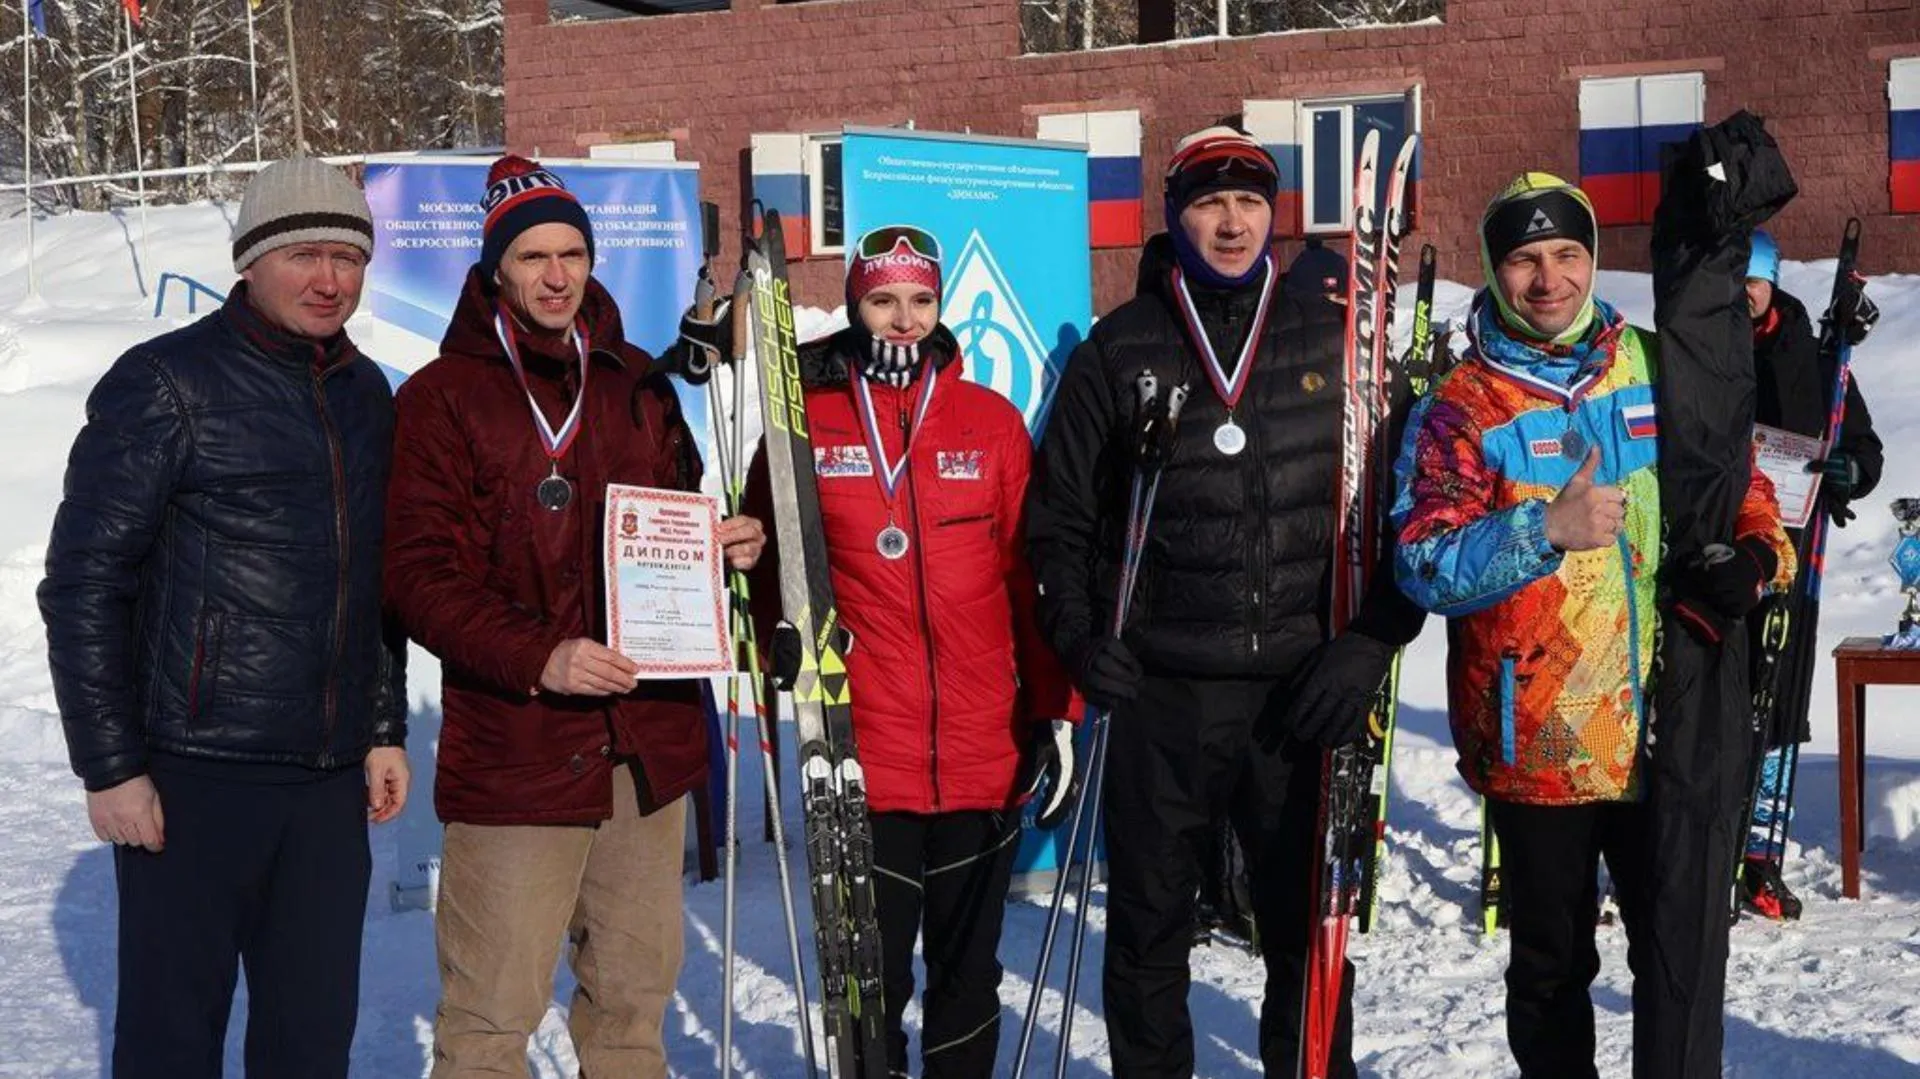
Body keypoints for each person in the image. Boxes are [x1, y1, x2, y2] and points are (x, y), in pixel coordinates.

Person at [1026, 124, 1426, 1079]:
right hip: (1166, 694)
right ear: (1177, 216)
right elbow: (1058, 527)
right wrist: (1083, 641)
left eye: (1250, 201)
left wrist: (1371, 640)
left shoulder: (1343, 344)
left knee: (1307, 936)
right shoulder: (1120, 353)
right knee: (1151, 937)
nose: (1233, 221)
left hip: (1303, 688)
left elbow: (1414, 515)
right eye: (1210, 202)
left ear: (1274, 217)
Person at [1391, 172, 1795, 1079]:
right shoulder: (1462, 406)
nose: (1550, 279)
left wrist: (1757, 561)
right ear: (1496, 271)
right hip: (1538, 741)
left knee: (1677, 956)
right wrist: (1543, 530)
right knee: (1550, 970)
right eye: (1525, 259)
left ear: (1594, 258)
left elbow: (1752, 493)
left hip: (1668, 726)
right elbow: (1422, 561)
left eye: (1568, 253)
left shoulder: (1657, 363)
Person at [381, 154, 765, 1078]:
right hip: (519, 746)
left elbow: (676, 517)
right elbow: (417, 576)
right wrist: (539, 657)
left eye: (573, 253)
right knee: (488, 1025)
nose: (557, 276)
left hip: (646, 741)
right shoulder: (441, 399)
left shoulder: (637, 381)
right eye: (534, 257)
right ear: (495, 270)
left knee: (632, 1014)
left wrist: (720, 543)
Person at [38, 158, 408, 1078]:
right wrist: (114, 766)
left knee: (311, 1041)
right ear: (250, 260)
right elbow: (84, 581)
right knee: (172, 1038)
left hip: (324, 785)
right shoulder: (166, 383)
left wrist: (381, 726)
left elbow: (373, 583)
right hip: (194, 777)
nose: (329, 279)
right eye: (305, 255)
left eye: (348, 257)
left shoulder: (367, 395)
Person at [723, 224, 1081, 1077]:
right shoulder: (802, 423)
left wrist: (1056, 711)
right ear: (855, 306)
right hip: (858, 756)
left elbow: (1031, 582)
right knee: (867, 982)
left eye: (920, 300)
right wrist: (746, 562)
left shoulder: (990, 424)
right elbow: (768, 583)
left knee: (969, 977)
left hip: (980, 752)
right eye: (884, 300)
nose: (904, 319)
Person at [1739, 228, 1882, 918]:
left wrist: (1851, 473)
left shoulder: (1819, 361)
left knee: (1780, 699)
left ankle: (1761, 854)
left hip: (1793, 549)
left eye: (1752, 284)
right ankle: (1707, 846)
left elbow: (1861, 444)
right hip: (1719, 553)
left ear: (1770, 283)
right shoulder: (1702, 348)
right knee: (1716, 704)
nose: (1741, 298)